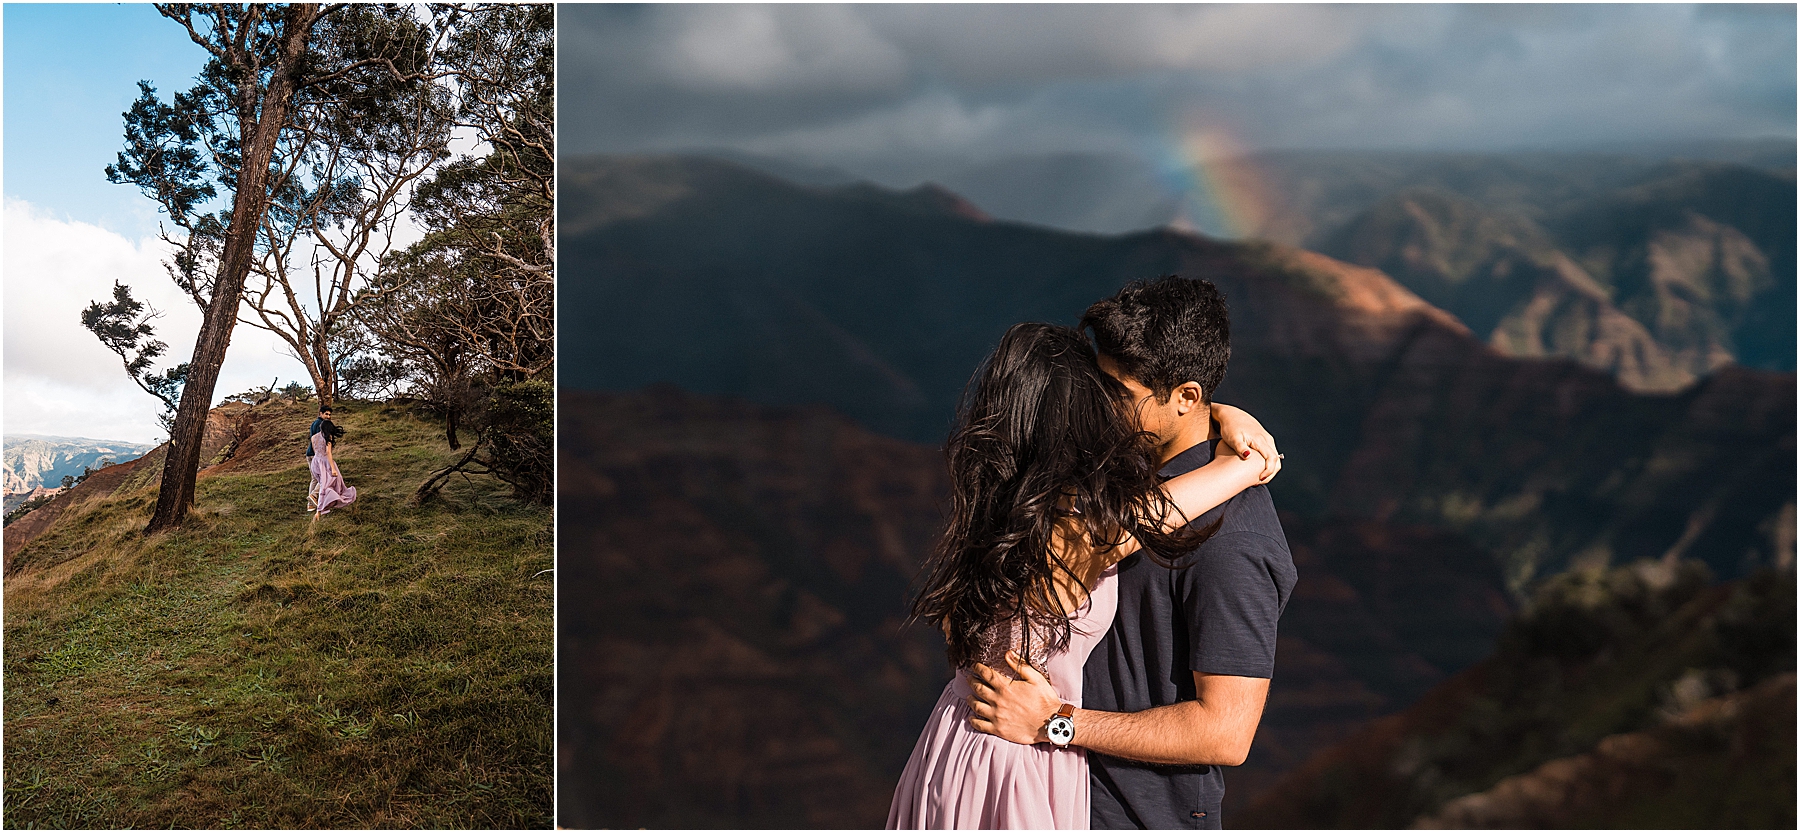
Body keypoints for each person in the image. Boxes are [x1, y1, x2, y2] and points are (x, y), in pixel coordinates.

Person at [886, 319, 1281, 829]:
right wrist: (1242, 444)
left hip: (955, 741)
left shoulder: (1005, 504)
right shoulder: (1078, 531)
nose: (1113, 410)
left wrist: (1219, 413)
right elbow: (1243, 469)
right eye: (1100, 397)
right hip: (1013, 755)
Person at [309, 405, 356, 518]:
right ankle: (319, 506)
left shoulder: (314, 437)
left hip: (316, 461)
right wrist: (333, 468)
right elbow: (328, 453)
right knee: (327, 485)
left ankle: (315, 505)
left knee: (321, 483)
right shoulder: (327, 437)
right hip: (325, 462)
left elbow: (316, 451)